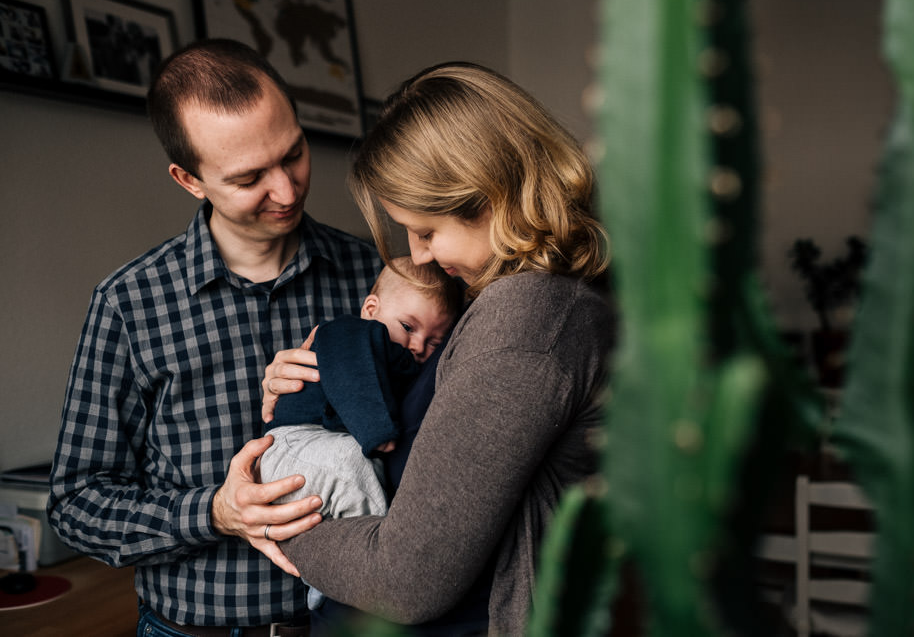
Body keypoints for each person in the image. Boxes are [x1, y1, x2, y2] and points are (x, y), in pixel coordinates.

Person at [260, 61, 615, 636]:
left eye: (427, 231)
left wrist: (275, 520)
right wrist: (308, 389)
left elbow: (406, 580)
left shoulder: (529, 321)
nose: (418, 255)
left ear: (491, 196)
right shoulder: (505, 302)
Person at [47, 38, 383, 636]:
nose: (286, 190)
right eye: (250, 177)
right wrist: (215, 512)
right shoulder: (129, 303)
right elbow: (76, 505)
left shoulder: (375, 276)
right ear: (189, 179)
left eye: (294, 154)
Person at [260, 256, 463, 611]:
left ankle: (342, 574)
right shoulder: (351, 332)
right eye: (408, 327)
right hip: (294, 443)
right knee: (355, 465)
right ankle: (350, 578)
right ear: (371, 308)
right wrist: (377, 431)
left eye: (434, 341)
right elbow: (353, 377)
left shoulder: (405, 360)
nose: (418, 346)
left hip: (316, 452)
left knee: (359, 474)